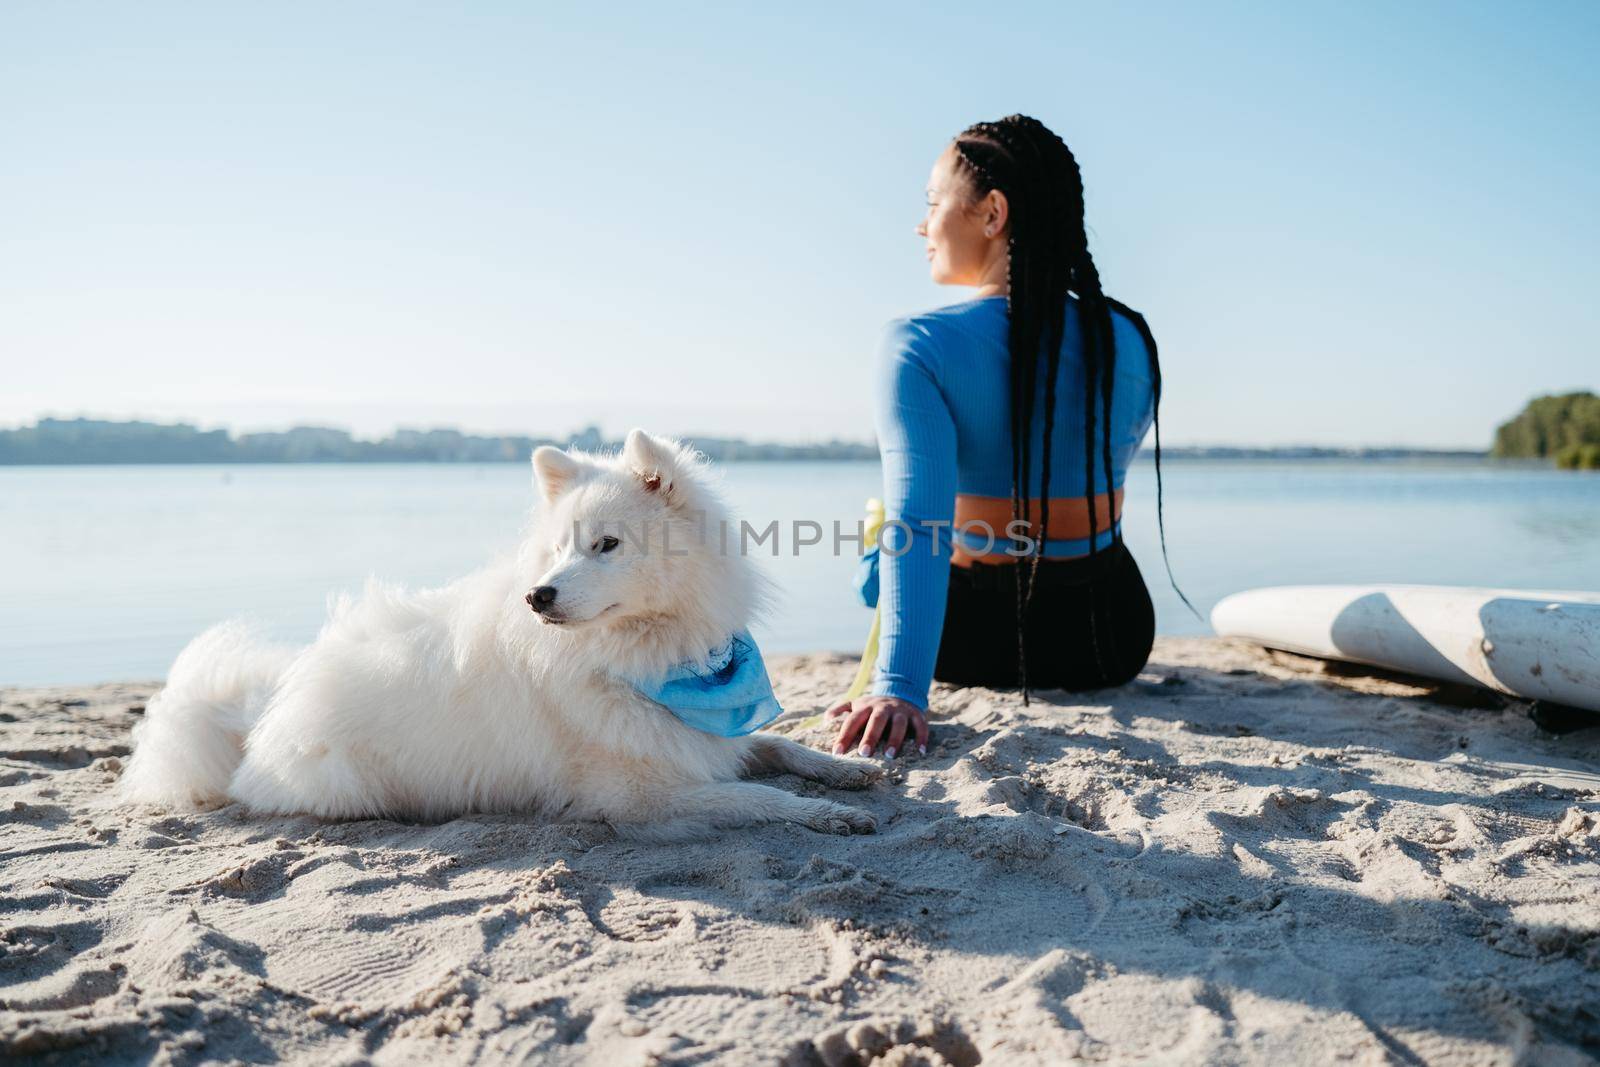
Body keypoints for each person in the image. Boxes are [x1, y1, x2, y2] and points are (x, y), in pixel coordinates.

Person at [828, 114, 1185, 760]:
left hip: (983, 641)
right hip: (1112, 636)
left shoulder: (918, 345)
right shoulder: (1125, 337)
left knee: (881, 540)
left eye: (933, 202)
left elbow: (922, 525)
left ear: (992, 213)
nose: (922, 224)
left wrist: (899, 688)